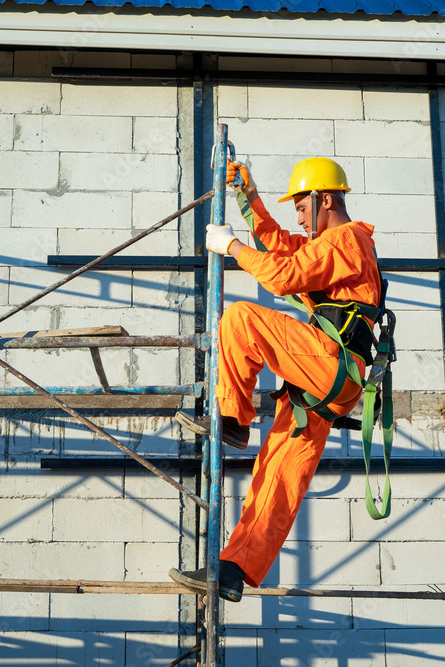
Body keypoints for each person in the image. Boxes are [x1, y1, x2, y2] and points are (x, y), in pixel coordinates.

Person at [170, 157, 382, 602]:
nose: (299, 217)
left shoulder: (347, 238)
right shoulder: (333, 245)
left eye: (302, 207)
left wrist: (230, 248)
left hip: (330, 363)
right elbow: (278, 247)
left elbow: (282, 276)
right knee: (276, 479)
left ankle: (231, 418)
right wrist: (249, 199)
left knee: (241, 319)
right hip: (328, 387)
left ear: (325, 199)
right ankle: (233, 569)